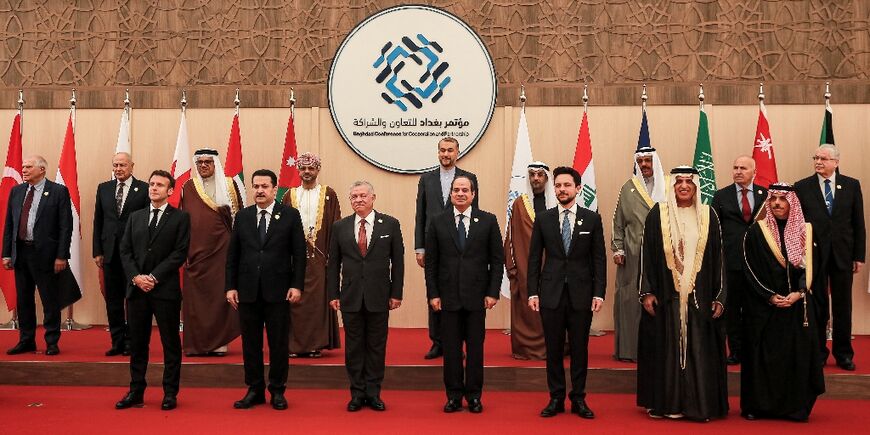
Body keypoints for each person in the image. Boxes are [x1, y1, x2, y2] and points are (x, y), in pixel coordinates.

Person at [637, 166, 728, 421]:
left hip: (700, 297)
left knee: (699, 351)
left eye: (689, 182)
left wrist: (720, 296)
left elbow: (719, 257)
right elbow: (647, 255)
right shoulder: (659, 214)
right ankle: (669, 404)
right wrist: (646, 292)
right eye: (679, 182)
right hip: (668, 296)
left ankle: (699, 406)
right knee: (668, 352)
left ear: (697, 186)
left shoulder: (709, 215)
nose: (684, 186)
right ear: (672, 185)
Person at [528, 166, 606, 420]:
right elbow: (533, 259)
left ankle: (579, 398)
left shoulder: (592, 219)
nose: (562, 189)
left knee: (580, 350)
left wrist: (599, 293)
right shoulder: (544, 218)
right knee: (553, 350)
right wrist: (532, 292)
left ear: (578, 188)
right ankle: (556, 398)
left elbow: (599, 260)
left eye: (567, 185)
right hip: (550, 294)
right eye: (558, 186)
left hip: (582, 295)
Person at [742, 183, 825, 421]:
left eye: (783, 199)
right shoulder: (756, 232)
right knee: (762, 358)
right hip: (764, 305)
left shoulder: (806, 230)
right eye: (774, 199)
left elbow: (811, 266)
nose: (777, 203)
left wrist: (799, 292)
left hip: (797, 306)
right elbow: (749, 268)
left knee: (796, 356)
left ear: (792, 203)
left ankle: (795, 408)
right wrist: (768, 295)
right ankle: (758, 407)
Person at [226, 169, 306, 411]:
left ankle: (278, 390)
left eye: (264, 186)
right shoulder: (243, 216)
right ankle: (254, 389)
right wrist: (230, 286)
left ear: (274, 189)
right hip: (248, 290)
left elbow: (299, 255)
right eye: (256, 186)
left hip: (279, 291)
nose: (259, 190)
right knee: (250, 344)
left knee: (278, 344)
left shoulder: (290, 215)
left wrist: (296, 285)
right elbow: (233, 255)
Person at [425, 175, 503, 414]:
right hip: (447, 298)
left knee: (476, 350)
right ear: (451, 194)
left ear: (473, 194)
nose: (460, 193)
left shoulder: (488, 221)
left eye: (465, 190)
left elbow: (497, 260)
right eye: (456, 190)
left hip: (477, 297)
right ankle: (454, 396)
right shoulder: (438, 222)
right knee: (450, 350)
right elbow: (432, 263)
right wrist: (433, 294)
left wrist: (492, 292)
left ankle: (474, 396)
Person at [116, 170, 190, 411]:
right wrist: (136, 277)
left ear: (170, 191)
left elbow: (179, 253)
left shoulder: (180, 218)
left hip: (164, 290)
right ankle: (136, 391)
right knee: (138, 344)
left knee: (170, 343)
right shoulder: (135, 217)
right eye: (151, 184)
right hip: (137, 290)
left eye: (160, 185)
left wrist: (154, 277)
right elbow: (125, 251)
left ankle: (170, 393)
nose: (154, 188)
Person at [327, 181, 404, 412]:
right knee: (354, 348)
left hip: (379, 296)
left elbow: (397, 263)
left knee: (376, 347)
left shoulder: (390, 224)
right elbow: (333, 265)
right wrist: (333, 294)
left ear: (373, 197)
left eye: (362, 195)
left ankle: (374, 393)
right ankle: (357, 394)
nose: (358, 200)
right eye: (354, 196)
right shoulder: (340, 226)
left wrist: (396, 293)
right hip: (350, 297)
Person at [795, 144, 865, 371]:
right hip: (813, 256)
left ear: (836, 162)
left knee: (843, 306)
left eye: (824, 158)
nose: (818, 162)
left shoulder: (852, 185)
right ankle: (818, 353)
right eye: (816, 157)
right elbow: (797, 224)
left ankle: (843, 354)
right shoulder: (802, 187)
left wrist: (859, 255)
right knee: (818, 306)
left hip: (843, 255)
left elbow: (858, 224)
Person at [415, 136, 479, 359]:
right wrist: (419, 247)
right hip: (433, 245)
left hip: (460, 245)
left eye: (450, 150)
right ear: (438, 152)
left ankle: (457, 344)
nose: (446, 154)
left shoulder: (468, 179)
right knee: (434, 292)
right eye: (442, 150)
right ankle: (438, 342)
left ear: (457, 153)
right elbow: (420, 215)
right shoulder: (426, 179)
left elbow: (475, 214)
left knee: (458, 294)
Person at [3, 155, 72, 356]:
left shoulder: (58, 191)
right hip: (21, 253)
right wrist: (7, 253)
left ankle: (51, 341)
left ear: (42, 169)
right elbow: (9, 225)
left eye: (28, 167)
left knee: (49, 300)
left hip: (47, 255)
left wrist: (61, 256)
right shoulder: (17, 191)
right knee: (24, 299)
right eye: (23, 166)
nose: (24, 170)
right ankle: (26, 340)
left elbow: (65, 227)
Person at [179, 149, 242, 356]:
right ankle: (196, 344)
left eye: (208, 162)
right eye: (200, 162)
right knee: (196, 299)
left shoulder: (231, 185)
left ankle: (219, 343)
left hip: (222, 251)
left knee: (218, 296)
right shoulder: (188, 187)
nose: (204, 165)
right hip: (195, 252)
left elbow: (239, 219)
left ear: (215, 164)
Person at [610, 146, 665, 362]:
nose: (644, 165)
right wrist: (618, 248)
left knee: (661, 299)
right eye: (640, 162)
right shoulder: (628, 188)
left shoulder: (668, 187)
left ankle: (661, 351)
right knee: (631, 300)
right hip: (633, 254)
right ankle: (630, 350)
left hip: (664, 255)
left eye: (648, 161)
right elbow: (619, 223)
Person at [711, 155, 767, 365]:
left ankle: (755, 350)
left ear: (754, 171)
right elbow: (714, 230)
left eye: (743, 168)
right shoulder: (721, 196)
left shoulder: (766, 195)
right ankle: (735, 350)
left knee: (756, 309)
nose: (738, 171)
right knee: (732, 310)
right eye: (735, 167)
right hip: (731, 262)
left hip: (757, 264)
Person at [284, 152, 341, 358]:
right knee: (295, 302)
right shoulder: (289, 195)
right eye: (303, 168)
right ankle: (295, 345)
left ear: (318, 169)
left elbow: (336, 228)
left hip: (320, 259)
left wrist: (333, 258)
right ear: (298, 170)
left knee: (317, 302)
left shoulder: (329, 193)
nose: (307, 172)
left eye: (311, 168)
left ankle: (314, 344)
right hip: (294, 259)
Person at [93, 152, 149, 357]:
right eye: (115, 165)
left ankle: (133, 343)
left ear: (132, 166)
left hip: (134, 255)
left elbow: (146, 223)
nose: (118, 169)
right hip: (109, 254)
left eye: (122, 165)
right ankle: (117, 341)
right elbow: (98, 221)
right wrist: (97, 251)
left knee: (134, 300)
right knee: (113, 300)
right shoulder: (104, 188)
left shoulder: (143, 189)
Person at [504, 162, 556, 360]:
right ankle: (526, 348)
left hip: (554, 267)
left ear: (546, 178)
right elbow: (510, 238)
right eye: (532, 174)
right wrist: (513, 268)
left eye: (540, 175)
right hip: (526, 267)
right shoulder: (520, 204)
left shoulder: (556, 203)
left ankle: (556, 345)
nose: (536, 178)